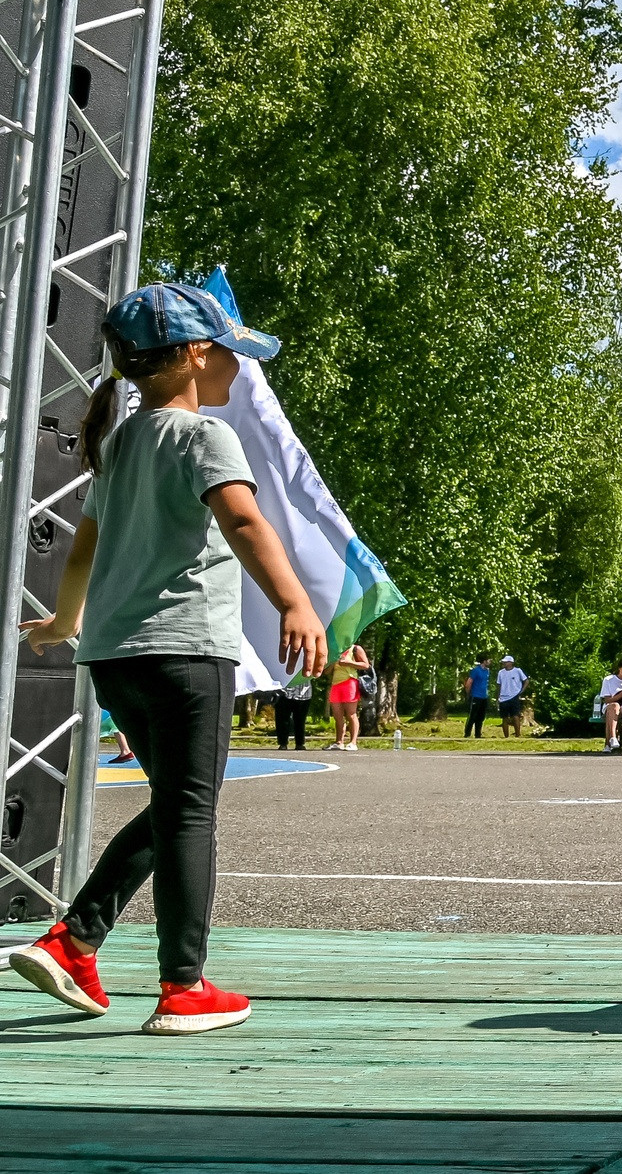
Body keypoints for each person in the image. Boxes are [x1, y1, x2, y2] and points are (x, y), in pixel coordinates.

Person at [6, 282, 325, 1036]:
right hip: (185, 647)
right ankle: (184, 985)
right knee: (190, 811)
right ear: (194, 354)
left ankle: (74, 941)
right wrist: (295, 603)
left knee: (176, 803)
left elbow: (82, 548)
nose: (240, 367)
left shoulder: (120, 442)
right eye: (232, 352)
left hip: (115, 655)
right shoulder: (205, 436)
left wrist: (65, 621)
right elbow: (243, 521)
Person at [324, 641, 369, 751]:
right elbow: (326, 671)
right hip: (336, 684)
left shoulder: (355, 648)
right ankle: (339, 742)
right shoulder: (335, 651)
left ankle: (353, 742)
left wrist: (349, 663)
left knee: (351, 714)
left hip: (350, 682)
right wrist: (333, 662)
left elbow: (366, 665)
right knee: (337, 715)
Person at [495, 654, 530, 736]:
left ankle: (517, 734)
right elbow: (499, 685)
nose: (504, 664)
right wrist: (498, 696)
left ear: (511, 663)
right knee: (504, 718)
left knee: (515, 716)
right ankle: (506, 736)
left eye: (506, 662)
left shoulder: (517, 671)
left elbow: (526, 681)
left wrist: (521, 691)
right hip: (503, 697)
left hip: (514, 696)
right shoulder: (501, 672)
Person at [274, 676, 312, 751]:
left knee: (300, 720)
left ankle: (300, 744)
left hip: (303, 692)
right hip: (283, 691)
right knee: (282, 719)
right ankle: (282, 743)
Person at [461, 655, 493, 739]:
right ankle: (467, 733)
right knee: (472, 716)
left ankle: (478, 734)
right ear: (484, 661)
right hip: (476, 696)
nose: (490, 662)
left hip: (484, 697)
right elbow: (469, 682)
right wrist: (469, 693)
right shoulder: (476, 670)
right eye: (488, 660)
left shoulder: (487, 671)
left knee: (481, 716)